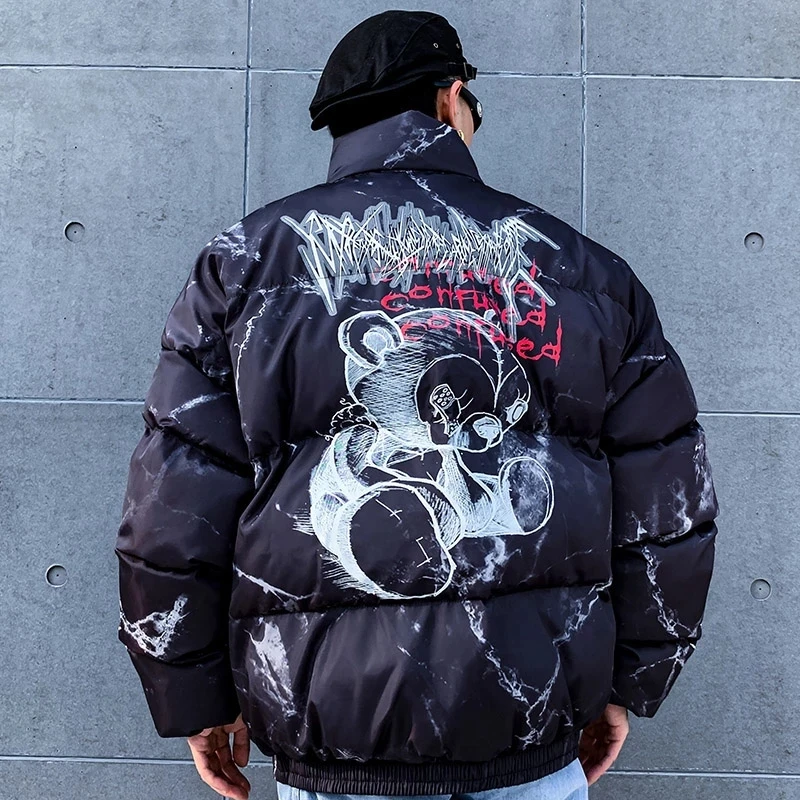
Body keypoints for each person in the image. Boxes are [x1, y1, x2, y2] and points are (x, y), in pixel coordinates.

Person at [114, 10, 720, 800]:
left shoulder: (242, 268)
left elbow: (171, 514)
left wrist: (194, 696)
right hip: (528, 724)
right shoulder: (587, 276)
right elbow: (670, 505)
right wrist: (628, 682)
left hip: (333, 737)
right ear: (450, 98)